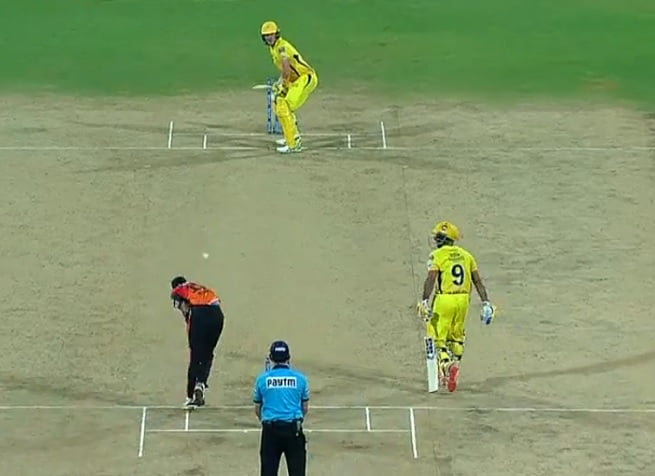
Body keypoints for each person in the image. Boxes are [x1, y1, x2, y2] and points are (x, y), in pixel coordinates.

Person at [416, 222, 496, 392]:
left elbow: (431, 279)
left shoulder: (437, 255)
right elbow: (477, 281)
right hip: (463, 300)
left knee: (437, 336)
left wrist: (424, 300)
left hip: (445, 300)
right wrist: (486, 302)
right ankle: (456, 364)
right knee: (457, 336)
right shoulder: (467, 256)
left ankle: (446, 366)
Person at [260, 20, 318, 154]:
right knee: (279, 102)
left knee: (284, 105)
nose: (269, 37)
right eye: (266, 35)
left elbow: (286, 68)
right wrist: (279, 83)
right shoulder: (273, 48)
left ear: (276, 34)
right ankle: (290, 137)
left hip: (306, 78)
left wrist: (284, 86)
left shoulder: (282, 47)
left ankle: (294, 144)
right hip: (296, 80)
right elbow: (285, 72)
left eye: (271, 34)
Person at [253, 341, 310, 476]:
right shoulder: (301, 379)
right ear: (288, 358)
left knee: (268, 472)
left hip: (270, 431)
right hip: (293, 430)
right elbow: (304, 408)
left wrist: (266, 422)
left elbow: (257, 408)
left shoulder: (262, 379)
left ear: (271, 358)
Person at [170, 276, 225, 408]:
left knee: (195, 356)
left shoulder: (179, 290)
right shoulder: (200, 288)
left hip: (199, 314)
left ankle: (190, 396)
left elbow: (185, 309)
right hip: (217, 314)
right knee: (208, 353)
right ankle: (200, 384)